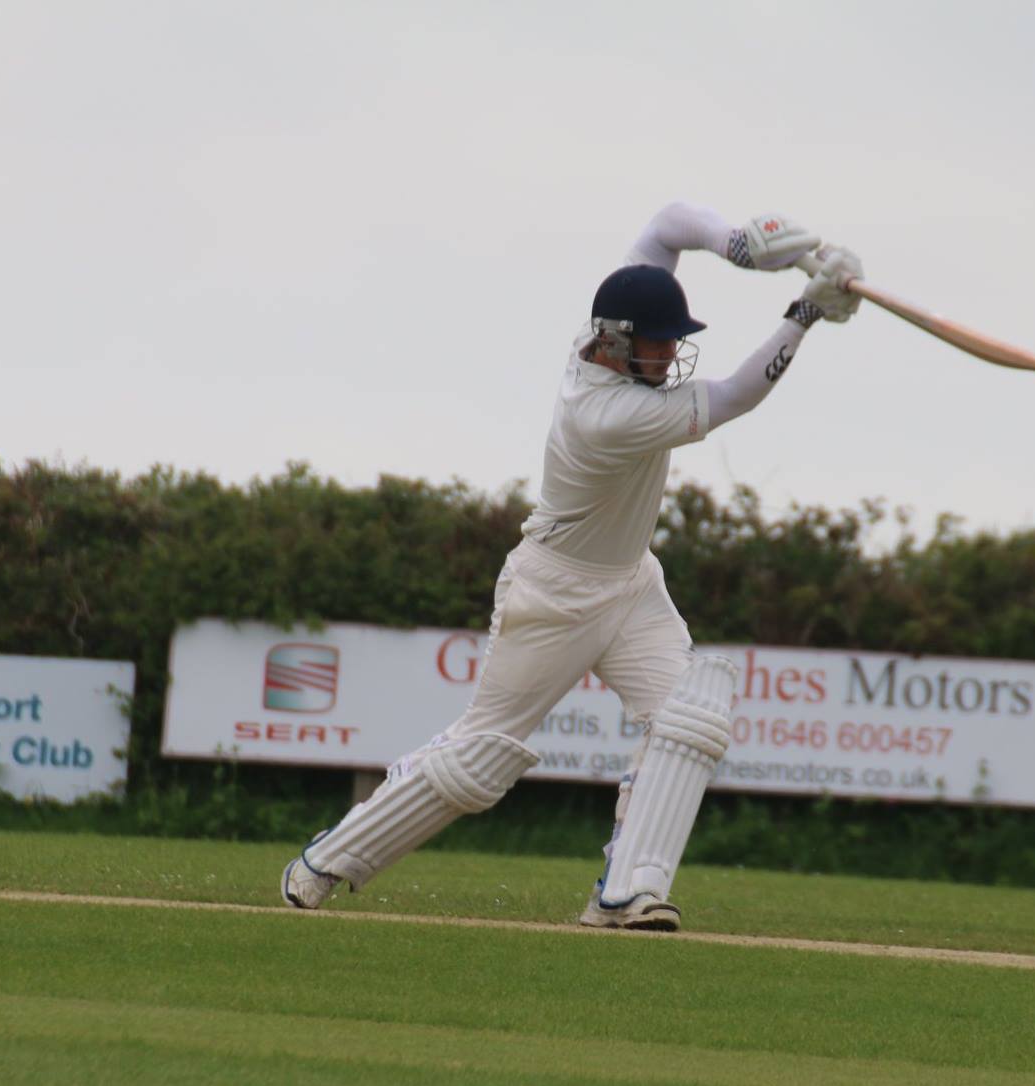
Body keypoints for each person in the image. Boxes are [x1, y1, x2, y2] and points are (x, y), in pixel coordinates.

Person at [281, 204, 862, 931]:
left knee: (691, 718)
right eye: (659, 343)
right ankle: (327, 858)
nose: (670, 355)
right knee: (479, 762)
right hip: (553, 593)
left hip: (631, 584)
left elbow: (664, 226)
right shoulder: (608, 415)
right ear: (617, 345)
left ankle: (626, 892)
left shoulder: (608, 335)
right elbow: (740, 394)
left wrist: (736, 244)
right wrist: (803, 313)